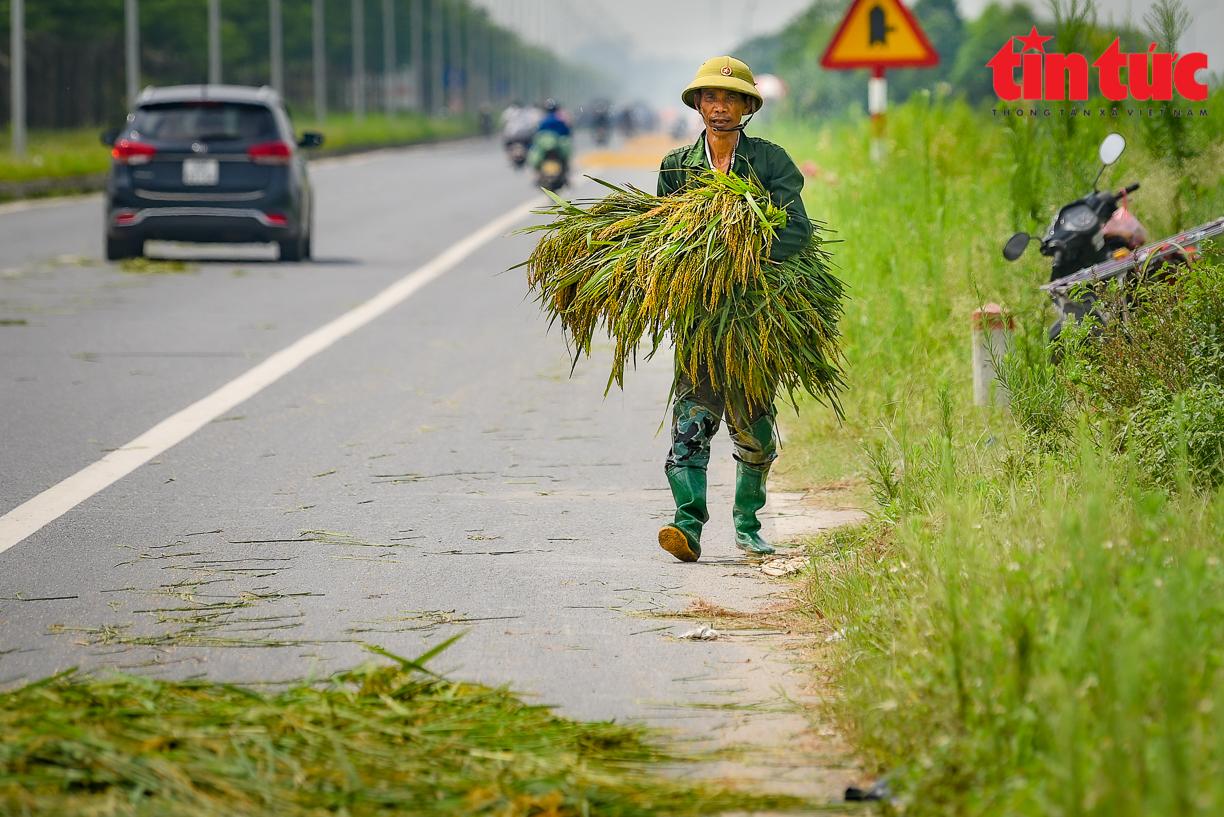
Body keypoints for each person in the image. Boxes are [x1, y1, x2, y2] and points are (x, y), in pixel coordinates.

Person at [655, 56, 812, 564]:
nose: (718, 107)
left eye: (729, 98)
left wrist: (743, 259)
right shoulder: (676, 166)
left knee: (753, 424)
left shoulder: (770, 162)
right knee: (691, 420)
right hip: (699, 314)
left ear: (747, 106)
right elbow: (661, 235)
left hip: (754, 310)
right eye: (710, 98)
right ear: (698, 105)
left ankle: (747, 523)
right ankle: (687, 524)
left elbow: (795, 231)